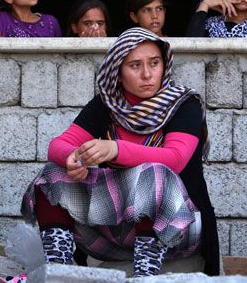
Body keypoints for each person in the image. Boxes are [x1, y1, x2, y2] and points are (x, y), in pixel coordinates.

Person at [21, 27, 220, 277]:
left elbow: (176, 160)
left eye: (154, 63)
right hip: (117, 235)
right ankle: (60, 271)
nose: (147, 74)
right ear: (118, 72)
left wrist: (114, 149)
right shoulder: (107, 105)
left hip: (179, 227)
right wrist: (73, 158)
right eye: (135, 65)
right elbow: (57, 145)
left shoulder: (182, 104)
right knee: (52, 174)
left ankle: (145, 276)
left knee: (155, 174)